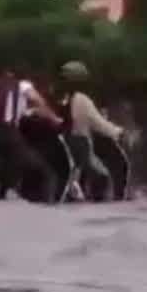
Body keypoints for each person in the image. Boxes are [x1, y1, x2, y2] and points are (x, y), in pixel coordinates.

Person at [58, 60, 135, 200]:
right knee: (102, 176)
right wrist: (119, 132)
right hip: (80, 143)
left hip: (66, 142)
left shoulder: (64, 98)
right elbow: (98, 123)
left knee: (81, 171)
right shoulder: (82, 100)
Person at [0, 67, 64, 202]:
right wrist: (55, 119)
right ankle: (45, 204)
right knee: (45, 172)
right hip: (9, 133)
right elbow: (40, 103)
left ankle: (5, 190)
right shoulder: (23, 85)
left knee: (6, 162)